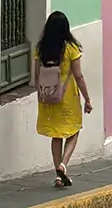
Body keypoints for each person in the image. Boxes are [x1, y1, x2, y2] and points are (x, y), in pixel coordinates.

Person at [32, 11, 92, 187]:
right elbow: (79, 76)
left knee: (56, 134)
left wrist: (41, 96)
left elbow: (36, 76)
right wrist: (87, 99)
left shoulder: (40, 49)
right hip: (67, 97)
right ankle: (63, 165)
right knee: (74, 130)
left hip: (48, 97)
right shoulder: (71, 48)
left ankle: (58, 176)